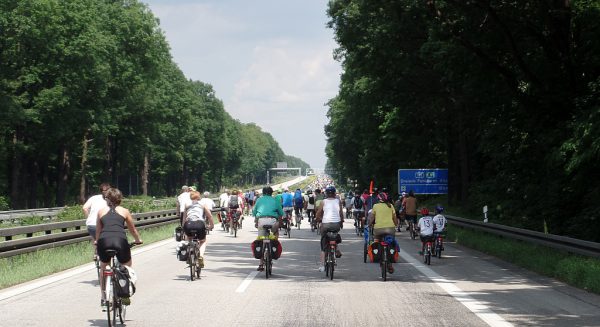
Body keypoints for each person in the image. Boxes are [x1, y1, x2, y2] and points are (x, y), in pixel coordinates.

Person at [95, 188, 142, 306]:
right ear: (119, 199)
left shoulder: (101, 212)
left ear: (107, 199)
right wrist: (138, 240)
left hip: (104, 241)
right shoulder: (125, 211)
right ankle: (125, 292)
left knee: (103, 267)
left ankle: (104, 296)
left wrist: (97, 243)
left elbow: (98, 231)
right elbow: (132, 229)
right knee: (127, 266)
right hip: (120, 241)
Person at [253, 186, 284, 271]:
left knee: (261, 239)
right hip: (272, 220)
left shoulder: (259, 200)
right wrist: (280, 223)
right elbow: (281, 213)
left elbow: (254, 212)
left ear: (263, 192)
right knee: (275, 232)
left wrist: (256, 221)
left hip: (261, 220)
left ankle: (261, 264)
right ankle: (274, 244)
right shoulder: (275, 200)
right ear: (271, 192)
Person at [315, 186, 344, 272]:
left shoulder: (323, 202)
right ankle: (337, 248)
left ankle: (322, 266)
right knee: (334, 235)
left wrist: (318, 219)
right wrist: (341, 222)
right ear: (335, 193)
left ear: (326, 194)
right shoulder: (338, 201)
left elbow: (319, 213)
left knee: (324, 243)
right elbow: (341, 213)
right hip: (336, 224)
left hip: (326, 225)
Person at [183, 191, 214, 267]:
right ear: (199, 197)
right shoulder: (202, 204)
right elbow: (209, 216)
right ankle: (200, 256)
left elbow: (184, 219)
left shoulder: (187, 204)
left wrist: (184, 229)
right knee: (202, 241)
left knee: (188, 238)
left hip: (189, 224)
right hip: (199, 224)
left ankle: (190, 253)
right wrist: (211, 225)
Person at [368, 196, 399, 273]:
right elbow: (394, 217)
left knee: (376, 242)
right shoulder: (391, 205)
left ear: (379, 200)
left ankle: (378, 255)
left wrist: (369, 224)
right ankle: (390, 263)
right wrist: (395, 224)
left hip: (378, 229)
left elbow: (371, 218)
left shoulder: (375, 206)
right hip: (390, 229)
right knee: (391, 242)